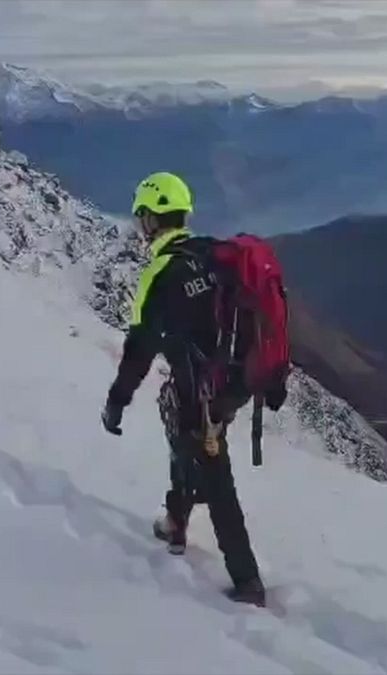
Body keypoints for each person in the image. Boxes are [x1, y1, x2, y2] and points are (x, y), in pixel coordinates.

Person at [100, 171, 266, 607]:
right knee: (184, 434)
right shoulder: (213, 254)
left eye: (142, 218)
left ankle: (247, 581)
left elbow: (138, 352)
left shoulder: (160, 274)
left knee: (214, 475)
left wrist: (116, 403)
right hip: (231, 383)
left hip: (201, 389)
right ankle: (176, 519)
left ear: (152, 220)